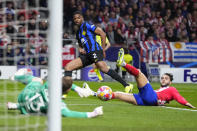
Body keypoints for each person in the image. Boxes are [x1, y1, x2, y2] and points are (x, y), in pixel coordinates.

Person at [64, 11, 133, 93]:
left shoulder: (87, 25)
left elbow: (102, 34)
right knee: (68, 67)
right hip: (87, 55)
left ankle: (126, 85)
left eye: (78, 18)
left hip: (95, 51)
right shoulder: (78, 32)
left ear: (82, 18)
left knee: (103, 68)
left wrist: (103, 49)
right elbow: (80, 44)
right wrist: (80, 49)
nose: (76, 20)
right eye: (75, 18)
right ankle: (65, 92)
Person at [108, 48, 195, 108]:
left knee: (139, 73)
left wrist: (186, 103)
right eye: (163, 78)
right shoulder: (160, 90)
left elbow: (178, 97)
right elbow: (162, 100)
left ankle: (123, 63)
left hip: (151, 97)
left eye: (166, 78)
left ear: (170, 82)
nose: (163, 79)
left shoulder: (172, 89)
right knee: (118, 94)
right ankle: (99, 94)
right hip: (144, 100)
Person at [7, 68, 103, 118]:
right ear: (67, 91)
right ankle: (17, 105)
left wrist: (77, 89)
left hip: (23, 97)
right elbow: (68, 114)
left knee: (38, 80)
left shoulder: (48, 85)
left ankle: (16, 77)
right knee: (48, 111)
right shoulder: (57, 104)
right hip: (28, 110)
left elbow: (59, 81)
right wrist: (93, 113)